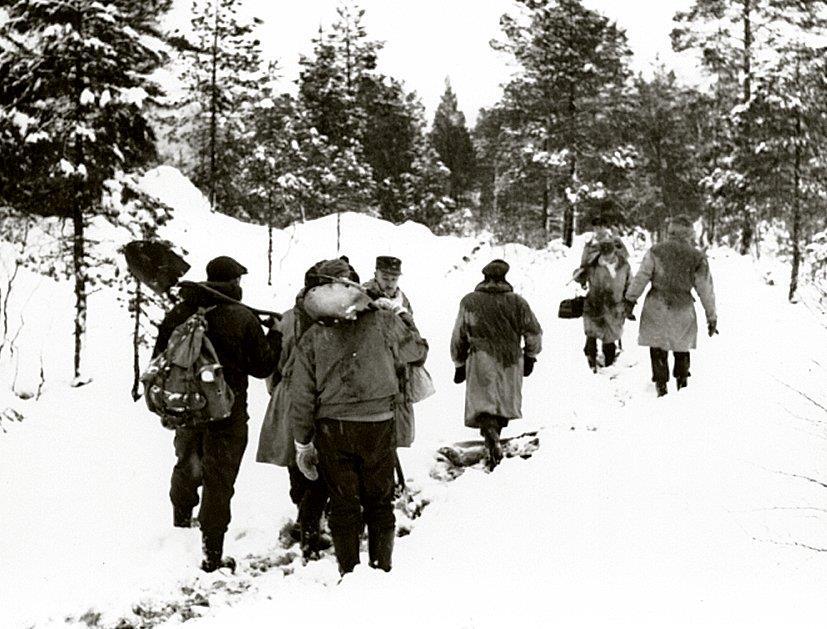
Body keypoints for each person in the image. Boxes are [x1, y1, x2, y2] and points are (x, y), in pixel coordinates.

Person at [288, 259, 428, 575]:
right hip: (378, 423)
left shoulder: (313, 336)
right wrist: (401, 315)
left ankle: (349, 573)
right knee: (380, 502)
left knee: (343, 504)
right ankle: (381, 570)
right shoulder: (384, 322)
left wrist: (302, 443)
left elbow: (303, 396)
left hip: (332, 429)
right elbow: (418, 352)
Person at [153, 256, 281, 572]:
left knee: (187, 464)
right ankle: (212, 554)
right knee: (219, 480)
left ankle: (180, 526)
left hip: (187, 407)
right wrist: (275, 335)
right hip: (228, 413)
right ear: (236, 282)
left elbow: (159, 357)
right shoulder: (241, 317)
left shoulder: (180, 312)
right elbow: (262, 366)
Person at [255, 258, 358, 560]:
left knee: (299, 462)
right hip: (316, 397)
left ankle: (306, 520)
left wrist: (278, 392)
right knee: (320, 466)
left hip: (290, 396)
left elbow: (272, 368)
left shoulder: (289, 318)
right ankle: (310, 526)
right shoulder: (333, 318)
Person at [450, 259, 542, 469]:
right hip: (509, 361)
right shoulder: (518, 302)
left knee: (483, 406)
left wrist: (458, 362)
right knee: (501, 406)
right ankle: (494, 440)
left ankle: (490, 439)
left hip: (480, 359)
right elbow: (534, 332)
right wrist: (530, 356)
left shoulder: (470, 302)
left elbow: (459, 334)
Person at [624, 215, 717, 397]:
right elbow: (706, 289)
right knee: (681, 347)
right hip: (682, 308)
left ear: (670, 230)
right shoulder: (697, 257)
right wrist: (711, 316)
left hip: (656, 305)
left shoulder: (656, 251)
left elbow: (641, 277)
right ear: (690, 233)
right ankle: (682, 385)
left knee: (658, 346)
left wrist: (630, 300)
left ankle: (661, 387)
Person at [363, 255, 417, 449]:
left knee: (397, 429)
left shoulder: (403, 300)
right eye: (385, 278)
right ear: (376, 274)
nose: (390, 283)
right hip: (375, 370)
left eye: (394, 279)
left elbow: (412, 334)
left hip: (399, 371)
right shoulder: (365, 296)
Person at [573, 229, 633, 371]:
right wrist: (580, 273)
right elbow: (578, 277)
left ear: (614, 251)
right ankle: (592, 362)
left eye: (609, 253)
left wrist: (629, 301)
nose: (607, 257)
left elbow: (630, 284)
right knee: (593, 334)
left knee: (609, 337)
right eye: (604, 254)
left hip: (614, 306)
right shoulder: (593, 264)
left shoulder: (623, 265)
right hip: (595, 304)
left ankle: (608, 365)